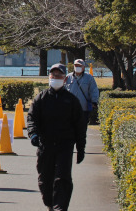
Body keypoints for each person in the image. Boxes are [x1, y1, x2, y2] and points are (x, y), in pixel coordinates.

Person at [27, 63, 86, 211]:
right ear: (49, 77)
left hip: (65, 145)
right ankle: (50, 203)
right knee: (45, 179)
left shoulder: (72, 100)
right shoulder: (41, 98)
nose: (55, 78)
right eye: (53, 75)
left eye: (59, 75)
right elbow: (32, 118)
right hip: (45, 145)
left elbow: (79, 126)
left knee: (63, 178)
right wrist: (33, 134)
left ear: (65, 79)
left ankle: (60, 207)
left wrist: (81, 148)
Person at [64, 59, 99, 132]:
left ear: (83, 67)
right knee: (69, 130)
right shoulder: (68, 77)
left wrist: (94, 101)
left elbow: (93, 90)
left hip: (83, 109)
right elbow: (62, 91)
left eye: (79, 65)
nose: (77, 67)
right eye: (76, 65)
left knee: (81, 130)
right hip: (70, 109)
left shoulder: (89, 78)